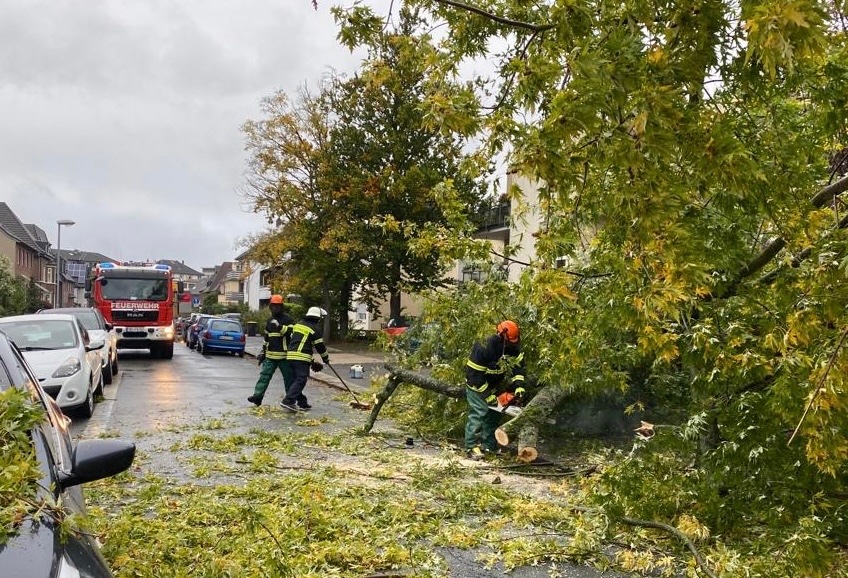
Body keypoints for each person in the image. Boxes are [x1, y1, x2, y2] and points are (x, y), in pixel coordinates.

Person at [464, 320, 526, 460]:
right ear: (501, 336)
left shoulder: (513, 346)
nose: (512, 344)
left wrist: (519, 386)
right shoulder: (484, 346)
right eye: (510, 341)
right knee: (480, 412)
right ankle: (471, 446)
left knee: (494, 415)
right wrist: (487, 395)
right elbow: (474, 375)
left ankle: (489, 446)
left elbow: (519, 368)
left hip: (496, 383)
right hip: (478, 385)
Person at [279, 306, 330, 412]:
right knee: (301, 380)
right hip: (301, 358)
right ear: (317, 318)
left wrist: (311, 360)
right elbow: (320, 347)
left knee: (295, 381)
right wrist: (326, 359)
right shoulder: (314, 329)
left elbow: (299, 343)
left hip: (290, 356)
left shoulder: (297, 325)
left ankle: (302, 403)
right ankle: (288, 401)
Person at [248, 295, 295, 407]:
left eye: (278, 306)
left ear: (282, 306)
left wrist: (280, 327)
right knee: (264, 376)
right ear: (270, 307)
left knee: (289, 379)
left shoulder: (288, 319)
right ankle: (257, 397)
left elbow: (294, 331)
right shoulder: (270, 320)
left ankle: (290, 400)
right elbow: (266, 339)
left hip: (284, 356)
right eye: (273, 306)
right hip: (270, 356)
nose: (275, 308)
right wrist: (263, 353)